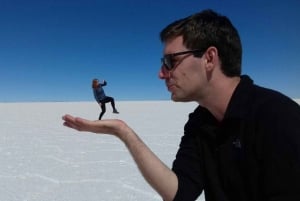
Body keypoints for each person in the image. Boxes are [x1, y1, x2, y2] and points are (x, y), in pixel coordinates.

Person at [62, 9, 300, 201]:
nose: (161, 74)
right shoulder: (200, 123)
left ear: (209, 58)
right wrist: (124, 133)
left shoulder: (278, 118)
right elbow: (180, 192)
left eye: (170, 61)